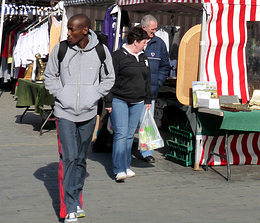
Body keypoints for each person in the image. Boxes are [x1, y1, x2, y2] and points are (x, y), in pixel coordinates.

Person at [43, 14, 114, 223]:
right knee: (69, 157)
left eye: (72, 29)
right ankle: (70, 206)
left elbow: (109, 77)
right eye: (68, 29)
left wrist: (94, 94)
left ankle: (76, 197)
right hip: (64, 112)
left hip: (89, 113)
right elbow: (49, 75)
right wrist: (61, 93)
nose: (68, 33)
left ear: (85, 30)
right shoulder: (61, 49)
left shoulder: (101, 51)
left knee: (81, 158)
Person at [104, 26, 151, 182]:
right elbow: (109, 79)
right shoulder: (118, 56)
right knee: (121, 134)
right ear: (136, 42)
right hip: (120, 99)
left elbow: (147, 79)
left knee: (130, 135)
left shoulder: (143, 57)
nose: (145, 45)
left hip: (138, 101)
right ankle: (118, 169)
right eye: (144, 42)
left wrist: (148, 98)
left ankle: (126, 165)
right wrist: (108, 101)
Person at [139, 14, 171, 164]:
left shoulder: (159, 43)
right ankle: (124, 150)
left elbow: (166, 65)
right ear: (143, 28)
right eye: (152, 29)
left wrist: (158, 81)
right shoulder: (132, 40)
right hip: (132, 91)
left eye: (156, 29)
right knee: (130, 124)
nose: (155, 32)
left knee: (147, 123)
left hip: (150, 92)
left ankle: (146, 152)